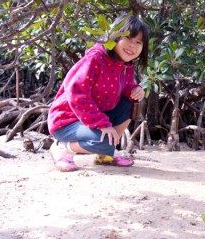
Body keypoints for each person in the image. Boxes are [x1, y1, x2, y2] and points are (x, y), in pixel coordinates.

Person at [47, 15, 149, 172]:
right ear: (113, 36)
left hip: (93, 119)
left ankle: (105, 156)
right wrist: (102, 124)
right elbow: (77, 94)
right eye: (127, 38)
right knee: (105, 143)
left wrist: (135, 90)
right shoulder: (95, 59)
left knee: (130, 103)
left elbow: (126, 87)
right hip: (67, 121)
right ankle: (62, 147)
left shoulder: (126, 65)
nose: (132, 45)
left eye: (138, 42)